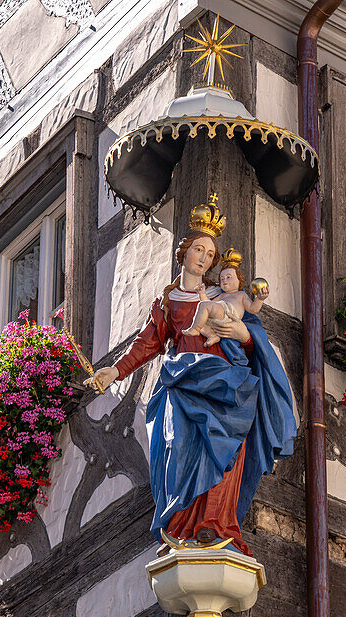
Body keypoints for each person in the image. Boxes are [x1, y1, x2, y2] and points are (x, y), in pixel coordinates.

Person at [85, 196, 296, 555]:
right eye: (198, 249)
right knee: (177, 448)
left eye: (210, 254)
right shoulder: (168, 302)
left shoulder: (220, 296)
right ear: (183, 252)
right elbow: (148, 343)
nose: (204, 258)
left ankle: (216, 525)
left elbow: (249, 337)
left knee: (225, 450)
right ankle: (182, 527)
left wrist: (244, 335)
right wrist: (115, 370)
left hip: (223, 383)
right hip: (182, 383)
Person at [183, 247, 269, 347]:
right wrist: (202, 293)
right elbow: (210, 304)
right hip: (219, 317)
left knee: (202, 311)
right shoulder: (222, 295)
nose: (224, 280)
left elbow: (253, 309)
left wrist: (260, 299)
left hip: (228, 315)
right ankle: (212, 335)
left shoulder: (241, 295)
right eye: (222, 278)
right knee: (200, 321)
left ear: (239, 280)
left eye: (228, 277)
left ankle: (195, 330)